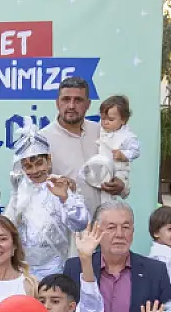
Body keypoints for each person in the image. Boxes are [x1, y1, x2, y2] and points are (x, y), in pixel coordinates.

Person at [61, 200, 171, 312]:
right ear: (96, 231)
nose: (120, 234)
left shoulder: (155, 271)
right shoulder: (76, 267)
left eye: (126, 227)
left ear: (133, 231)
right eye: (111, 228)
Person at [5, 124, 87, 278]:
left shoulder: (61, 186)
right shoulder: (21, 191)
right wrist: (16, 194)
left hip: (57, 267)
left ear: (48, 160)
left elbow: (80, 224)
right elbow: (8, 226)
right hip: (25, 269)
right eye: (28, 167)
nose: (35, 171)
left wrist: (65, 198)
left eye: (39, 164)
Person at [40, 76, 126, 213]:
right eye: (66, 99)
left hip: (102, 224)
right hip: (63, 226)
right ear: (57, 103)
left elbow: (121, 167)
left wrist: (122, 186)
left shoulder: (102, 132)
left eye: (78, 100)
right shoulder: (43, 140)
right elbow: (33, 186)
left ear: (88, 104)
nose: (71, 106)